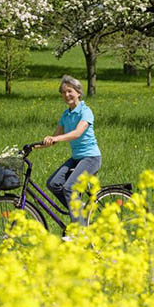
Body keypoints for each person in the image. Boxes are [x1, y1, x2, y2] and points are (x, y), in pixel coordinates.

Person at [42, 75, 101, 224]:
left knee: (69, 188)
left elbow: (77, 133)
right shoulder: (66, 114)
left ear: (78, 92)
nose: (66, 95)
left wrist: (55, 139)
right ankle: (78, 212)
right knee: (53, 184)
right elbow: (55, 137)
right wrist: (34, 146)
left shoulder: (85, 111)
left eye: (69, 91)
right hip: (76, 158)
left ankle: (79, 232)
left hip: (91, 158)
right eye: (63, 92)